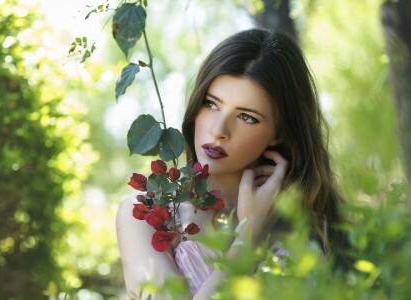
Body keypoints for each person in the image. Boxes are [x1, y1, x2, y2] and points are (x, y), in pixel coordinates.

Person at [116, 28, 348, 299]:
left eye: (247, 117)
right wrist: (250, 238)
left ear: (280, 132)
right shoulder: (147, 215)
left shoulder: (311, 231)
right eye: (211, 104)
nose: (219, 130)